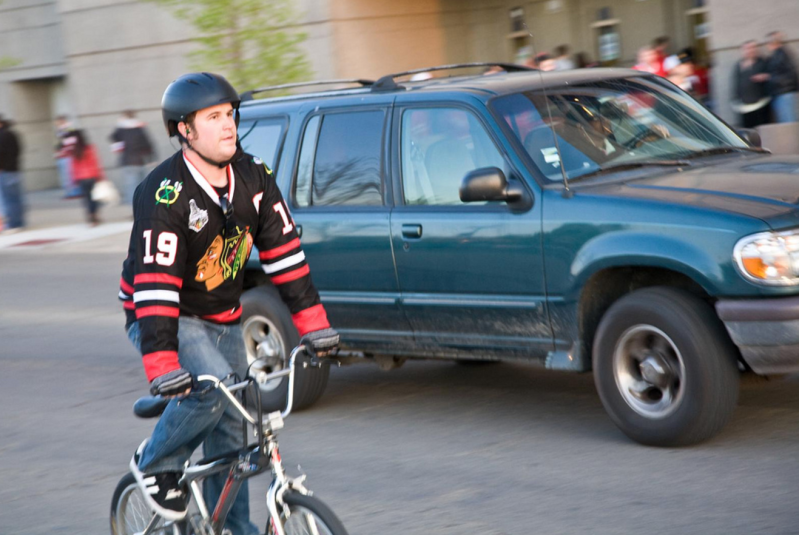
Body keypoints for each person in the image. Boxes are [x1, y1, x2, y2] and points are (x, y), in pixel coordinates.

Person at [118, 72, 339, 535]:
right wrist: (162, 366)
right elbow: (155, 287)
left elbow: (285, 255)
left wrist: (315, 325)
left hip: (223, 315)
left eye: (230, 115)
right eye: (213, 117)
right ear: (185, 130)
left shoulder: (254, 176)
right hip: (165, 315)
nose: (228, 126)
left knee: (236, 440)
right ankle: (157, 463)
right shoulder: (163, 194)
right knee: (211, 387)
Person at [110, 110, 155, 204]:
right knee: (142, 186)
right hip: (140, 161)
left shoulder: (120, 130)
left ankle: (134, 209)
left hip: (127, 162)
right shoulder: (140, 129)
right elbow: (148, 144)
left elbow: (112, 138)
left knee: (131, 187)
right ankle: (144, 207)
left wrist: (118, 124)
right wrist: (151, 159)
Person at [732, 40, 771, 128]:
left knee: (763, 131)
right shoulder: (738, 65)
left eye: (753, 47)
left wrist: (766, 76)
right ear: (743, 50)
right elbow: (736, 84)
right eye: (748, 48)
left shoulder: (763, 62)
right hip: (744, 107)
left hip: (761, 105)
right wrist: (735, 99)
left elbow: (773, 76)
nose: (751, 50)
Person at [69, 129, 105, 226]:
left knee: (87, 199)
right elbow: (95, 162)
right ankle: (95, 216)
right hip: (92, 176)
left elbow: (73, 166)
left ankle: (91, 216)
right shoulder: (89, 148)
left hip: (81, 178)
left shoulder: (74, 151)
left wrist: (74, 179)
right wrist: (100, 175)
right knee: (95, 198)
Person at [764, 31, 798, 123]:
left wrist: (769, 78)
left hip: (785, 94)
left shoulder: (782, 54)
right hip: (781, 94)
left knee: (789, 123)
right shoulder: (777, 55)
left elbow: (789, 75)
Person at [0, 115, 25, 233]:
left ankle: (13, 224)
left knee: (9, 199)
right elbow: (19, 149)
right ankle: (19, 222)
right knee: (16, 198)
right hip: (14, 169)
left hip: (5, 171)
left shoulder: (2, 135)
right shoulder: (12, 134)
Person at [54, 116, 81, 199]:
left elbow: (68, 143)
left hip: (67, 156)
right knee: (67, 175)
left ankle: (73, 192)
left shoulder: (67, 129)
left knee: (68, 176)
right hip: (64, 156)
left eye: (57, 121)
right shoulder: (61, 130)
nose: (55, 123)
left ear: (62, 121)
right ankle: (72, 191)